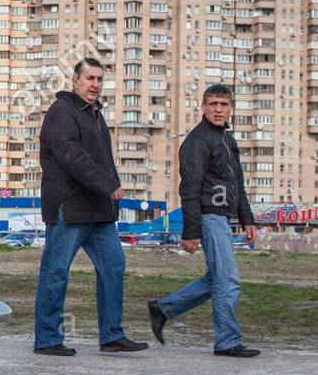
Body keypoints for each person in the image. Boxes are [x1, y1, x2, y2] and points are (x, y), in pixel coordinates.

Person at [33, 57, 147, 356]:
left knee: (113, 266)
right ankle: (47, 339)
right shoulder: (62, 111)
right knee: (55, 272)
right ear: (75, 81)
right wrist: (109, 186)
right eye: (89, 78)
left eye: (99, 79)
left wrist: (110, 189)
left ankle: (111, 335)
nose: (95, 84)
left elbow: (104, 161)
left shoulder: (95, 114)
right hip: (69, 207)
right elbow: (72, 156)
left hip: (98, 210)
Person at [147, 84, 259, 357]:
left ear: (231, 107)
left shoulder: (227, 141)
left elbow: (238, 185)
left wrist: (248, 220)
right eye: (213, 104)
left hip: (223, 218)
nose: (218, 109)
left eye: (223, 104)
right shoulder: (198, 141)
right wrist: (191, 231)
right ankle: (227, 341)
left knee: (217, 279)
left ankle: (164, 309)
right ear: (203, 107)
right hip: (209, 217)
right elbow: (189, 189)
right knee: (228, 280)